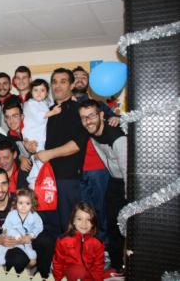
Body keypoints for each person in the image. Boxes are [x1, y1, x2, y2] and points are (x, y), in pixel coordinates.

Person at [34, 68, 88, 237]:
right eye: (55, 81)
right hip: (46, 179)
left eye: (63, 81)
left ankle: (72, 262)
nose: (57, 85)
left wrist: (49, 154)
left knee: (69, 227)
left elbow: (77, 144)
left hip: (67, 179)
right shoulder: (47, 111)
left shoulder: (78, 110)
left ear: (72, 85)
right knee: (48, 227)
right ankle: (54, 262)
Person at [72, 65, 120, 246]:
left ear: (89, 82)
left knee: (101, 211)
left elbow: (116, 121)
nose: (79, 79)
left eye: (83, 76)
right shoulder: (66, 106)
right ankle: (87, 247)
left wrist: (118, 118)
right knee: (83, 213)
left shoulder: (98, 106)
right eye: (75, 76)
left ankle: (104, 248)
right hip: (76, 171)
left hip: (98, 169)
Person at [79, 99, 127, 274]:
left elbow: (127, 169)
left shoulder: (117, 137)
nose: (88, 121)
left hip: (126, 181)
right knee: (112, 222)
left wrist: (130, 199)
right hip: (114, 180)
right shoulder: (93, 135)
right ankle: (116, 265)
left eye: (91, 116)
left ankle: (126, 264)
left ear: (101, 115)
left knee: (125, 224)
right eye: (84, 118)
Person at [0, 168, 54, 279]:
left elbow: (35, 221)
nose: (0, 189)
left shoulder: (20, 199)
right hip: (7, 246)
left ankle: (43, 275)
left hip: (27, 238)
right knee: (18, 259)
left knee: (47, 241)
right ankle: (16, 273)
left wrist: (30, 237)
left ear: (9, 184)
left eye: (3, 183)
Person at [0, 189, 43, 270]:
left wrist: (31, 235)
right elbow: (6, 226)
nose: (23, 206)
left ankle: (24, 270)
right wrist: (14, 234)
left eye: (27, 203)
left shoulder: (34, 216)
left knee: (32, 260)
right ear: (16, 203)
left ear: (32, 204)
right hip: (10, 239)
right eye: (20, 203)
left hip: (24, 242)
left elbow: (39, 227)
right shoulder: (12, 214)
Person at [22, 79, 60, 188]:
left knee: (40, 160)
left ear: (47, 93)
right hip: (34, 137)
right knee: (40, 160)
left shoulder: (44, 103)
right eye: (36, 90)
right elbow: (39, 115)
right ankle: (33, 183)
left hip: (41, 136)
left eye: (42, 90)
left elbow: (52, 105)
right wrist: (53, 112)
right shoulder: (29, 103)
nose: (39, 93)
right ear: (31, 91)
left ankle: (36, 180)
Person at [52, 203, 104, 281]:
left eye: (88, 220)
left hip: (88, 277)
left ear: (93, 223)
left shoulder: (97, 243)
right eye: (79, 219)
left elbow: (98, 267)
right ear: (73, 221)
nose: (84, 223)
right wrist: (58, 279)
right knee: (78, 270)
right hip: (70, 276)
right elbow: (58, 265)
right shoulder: (63, 241)